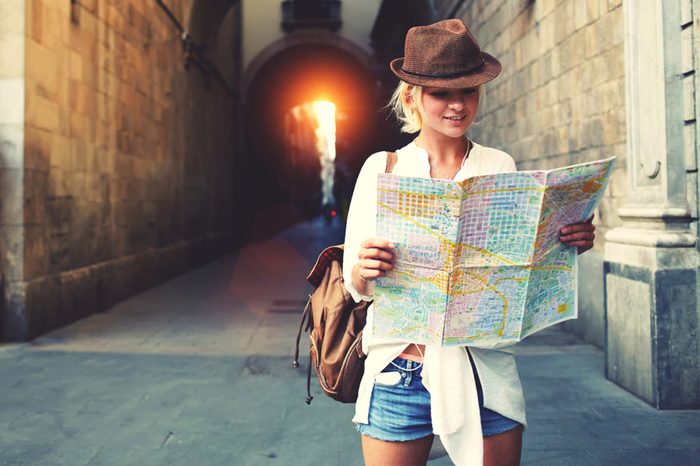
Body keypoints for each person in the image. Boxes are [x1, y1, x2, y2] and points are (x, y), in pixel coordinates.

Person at [342, 19, 595, 466]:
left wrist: (565, 243)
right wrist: (364, 268)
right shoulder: (382, 168)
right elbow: (353, 285)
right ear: (411, 96)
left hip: (484, 371)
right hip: (400, 372)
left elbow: (518, 269)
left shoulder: (500, 165)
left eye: (469, 91)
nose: (458, 105)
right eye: (442, 93)